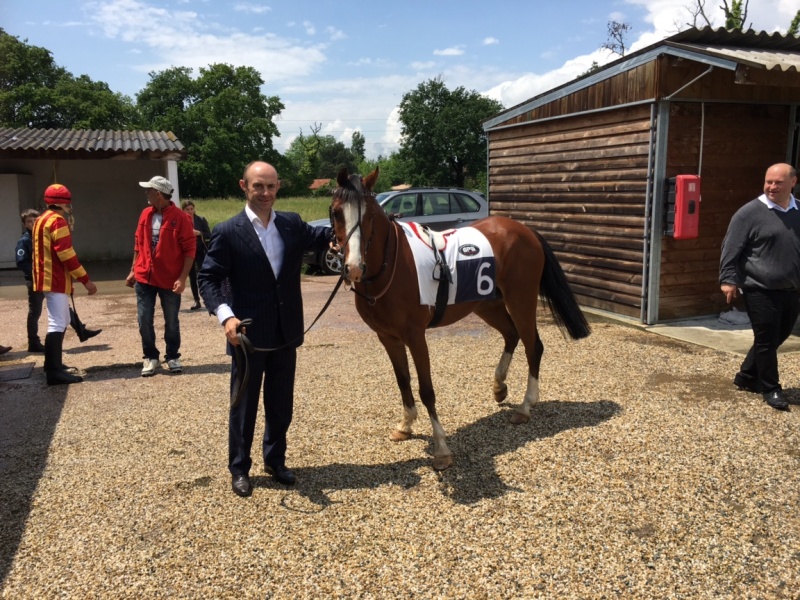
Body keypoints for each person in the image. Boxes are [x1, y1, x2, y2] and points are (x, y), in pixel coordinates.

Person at [198, 161, 333, 497]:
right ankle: (240, 469)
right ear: (244, 186)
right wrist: (226, 316)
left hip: (285, 331)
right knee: (244, 406)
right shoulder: (228, 231)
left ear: (278, 187)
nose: (265, 193)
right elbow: (208, 278)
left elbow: (325, 234)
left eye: (271, 186)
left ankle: (275, 460)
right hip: (246, 335)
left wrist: (354, 225)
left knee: (280, 402)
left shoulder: (291, 223)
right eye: (258, 186)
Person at [720, 162, 800, 412]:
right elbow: (731, 248)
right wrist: (728, 279)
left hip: (791, 288)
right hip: (759, 287)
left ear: (793, 183)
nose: (772, 186)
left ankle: (746, 375)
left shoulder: (798, 211)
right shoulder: (749, 213)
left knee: (780, 335)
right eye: (768, 181)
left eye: (778, 182)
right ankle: (770, 387)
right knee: (766, 339)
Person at [125, 175, 195, 377]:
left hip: (170, 279)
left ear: (157, 194)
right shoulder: (145, 214)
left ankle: (172, 355)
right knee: (143, 319)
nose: (146, 193)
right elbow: (138, 243)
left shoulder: (181, 217)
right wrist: (133, 269)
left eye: (148, 190)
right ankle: (150, 356)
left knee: (171, 320)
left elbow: (190, 250)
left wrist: (182, 278)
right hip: (144, 277)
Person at [32, 184, 97, 385]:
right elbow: (66, 254)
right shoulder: (58, 221)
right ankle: (54, 371)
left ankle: (52, 365)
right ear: (63, 203)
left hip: (45, 276)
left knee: (61, 318)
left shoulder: (40, 219)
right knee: (57, 322)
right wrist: (86, 280)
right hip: (56, 278)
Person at [16, 209, 101, 353]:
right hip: (36, 280)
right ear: (24, 225)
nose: (33, 223)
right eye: (29, 222)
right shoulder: (24, 241)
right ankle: (33, 342)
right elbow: (21, 262)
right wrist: (36, 273)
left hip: (48, 279)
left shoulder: (44, 236)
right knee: (35, 312)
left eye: (35, 220)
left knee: (62, 307)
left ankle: (81, 330)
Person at [182, 200, 212, 310]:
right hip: (188, 252)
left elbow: (209, 234)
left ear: (194, 209)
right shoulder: (182, 221)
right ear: (183, 210)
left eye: (191, 209)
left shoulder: (201, 220)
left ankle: (208, 299)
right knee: (192, 276)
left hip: (200, 251)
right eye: (187, 209)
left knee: (203, 275)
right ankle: (196, 300)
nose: (190, 211)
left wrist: (200, 233)